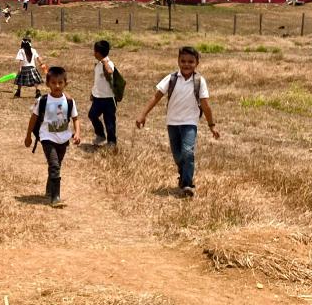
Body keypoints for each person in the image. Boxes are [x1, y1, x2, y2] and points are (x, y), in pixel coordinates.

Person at [135, 46, 219, 198]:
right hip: (172, 123)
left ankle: (187, 183)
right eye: (183, 61)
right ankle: (183, 174)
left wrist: (211, 125)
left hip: (189, 123)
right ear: (178, 61)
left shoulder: (199, 81)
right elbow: (156, 97)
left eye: (191, 62)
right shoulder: (171, 78)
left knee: (187, 152)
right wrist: (143, 114)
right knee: (177, 156)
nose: (187, 64)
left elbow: (206, 105)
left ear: (197, 63)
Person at [24, 66, 81, 208]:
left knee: (57, 165)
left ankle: (49, 189)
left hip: (63, 138)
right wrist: (28, 136)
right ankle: (55, 197)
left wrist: (77, 133)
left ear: (65, 83)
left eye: (60, 83)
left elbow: (75, 118)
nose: (57, 86)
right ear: (47, 84)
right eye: (54, 82)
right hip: (47, 137)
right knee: (54, 164)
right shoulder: (42, 100)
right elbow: (34, 118)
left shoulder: (69, 101)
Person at [89, 40, 117, 148]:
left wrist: (105, 61)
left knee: (109, 121)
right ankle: (100, 135)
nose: (94, 53)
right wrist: (93, 92)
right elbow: (97, 81)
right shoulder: (98, 65)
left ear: (98, 53)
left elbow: (109, 72)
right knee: (92, 115)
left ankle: (112, 142)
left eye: (95, 51)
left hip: (108, 99)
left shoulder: (109, 63)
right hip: (98, 97)